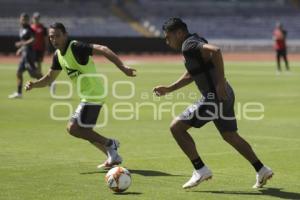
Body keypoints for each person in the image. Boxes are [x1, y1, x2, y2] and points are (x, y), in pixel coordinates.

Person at [153, 18, 273, 189]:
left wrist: (220, 83)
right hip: (225, 94)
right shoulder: (195, 41)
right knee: (230, 135)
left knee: (176, 127)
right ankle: (261, 169)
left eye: (168, 36)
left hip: (214, 96)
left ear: (179, 33)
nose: (167, 41)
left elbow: (216, 51)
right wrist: (169, 89)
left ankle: (200, 169)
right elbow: (191, 74)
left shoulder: (189, 45)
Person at [25, 22, 136, 169]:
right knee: (85, 131)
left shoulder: (76, 47)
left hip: (94, 94)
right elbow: (49, 78)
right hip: (88, 96)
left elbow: (103, 49)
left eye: (57, 36)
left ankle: (111, 143)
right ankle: (113, 157)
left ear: (65, 35)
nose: (54, 40)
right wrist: (34, 84)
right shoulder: (58, 55)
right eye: (51, 37)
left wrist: (123, 67)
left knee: (73, 128)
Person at [8, 13, 43, 99]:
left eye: (25, 19)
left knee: (33, 74)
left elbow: (33, 39)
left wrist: (21, 44)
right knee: (19, 72)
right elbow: (25, 42)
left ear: (28, 20)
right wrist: (21, 49)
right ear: (20, 19)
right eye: (22, 19)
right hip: (24, 53)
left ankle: (50, 82)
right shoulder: (22, 29)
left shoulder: (29, 29)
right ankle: (19, 93)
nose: (23, 20)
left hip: (29, 54)